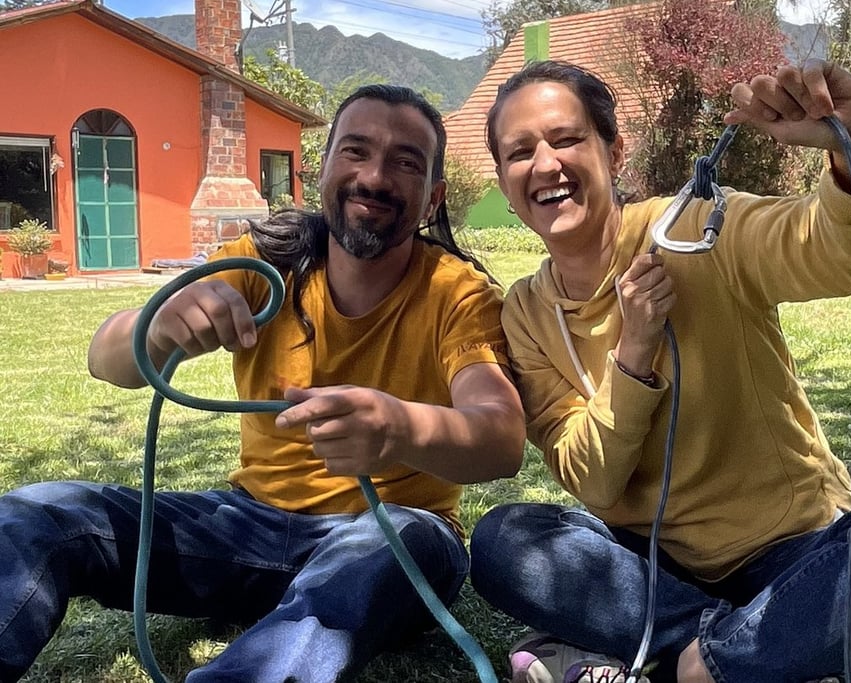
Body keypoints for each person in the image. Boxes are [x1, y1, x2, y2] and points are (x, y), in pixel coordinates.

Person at [0, 84, 525, 682]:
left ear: (432, 198)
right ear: (319, 170)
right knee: (39, 512)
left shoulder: (457, 294)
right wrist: (158, 326)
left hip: (392, 537)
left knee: (397, 539)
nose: (375, 176)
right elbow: (105, 359)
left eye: (405, 162)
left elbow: (501, 438)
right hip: (245, 527)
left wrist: (400, 428)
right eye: (355, 151)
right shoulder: (264, 260)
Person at [468, 59, 851, 683]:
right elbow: (592, 483)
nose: (545, 165)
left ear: (615, 151)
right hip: (649, 569)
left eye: (566, 139)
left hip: (790, 553)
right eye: (520, 153)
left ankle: (696, 661)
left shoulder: (697, 227)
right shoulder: (525, 310)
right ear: (505, 185)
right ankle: (758, 646)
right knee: (503, 540)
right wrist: (633, 353)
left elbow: (832, 251)